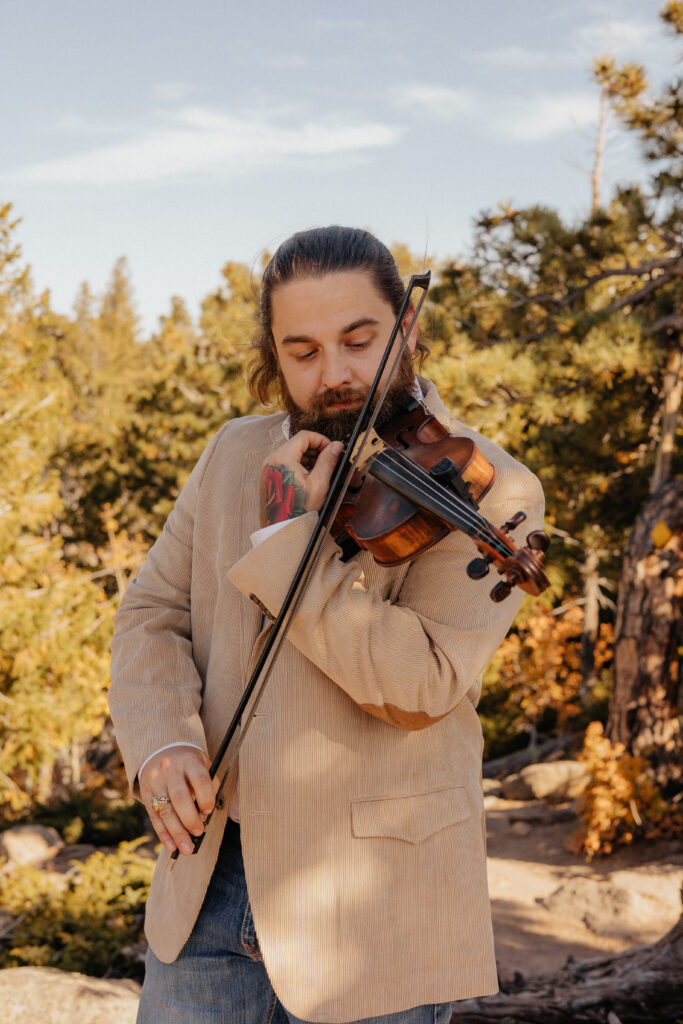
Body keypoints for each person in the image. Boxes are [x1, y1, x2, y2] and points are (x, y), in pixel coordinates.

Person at [109, 226, 545, 1024]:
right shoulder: (234, 455)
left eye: (357, 341)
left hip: (377, 907)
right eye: (301, 351)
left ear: (404, 330)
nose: (334, 376)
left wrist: (288, 543)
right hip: (209, 880)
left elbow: (420, 688)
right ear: (273, 354)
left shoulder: (492, 491)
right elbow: (150, 612)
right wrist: (163, 741)